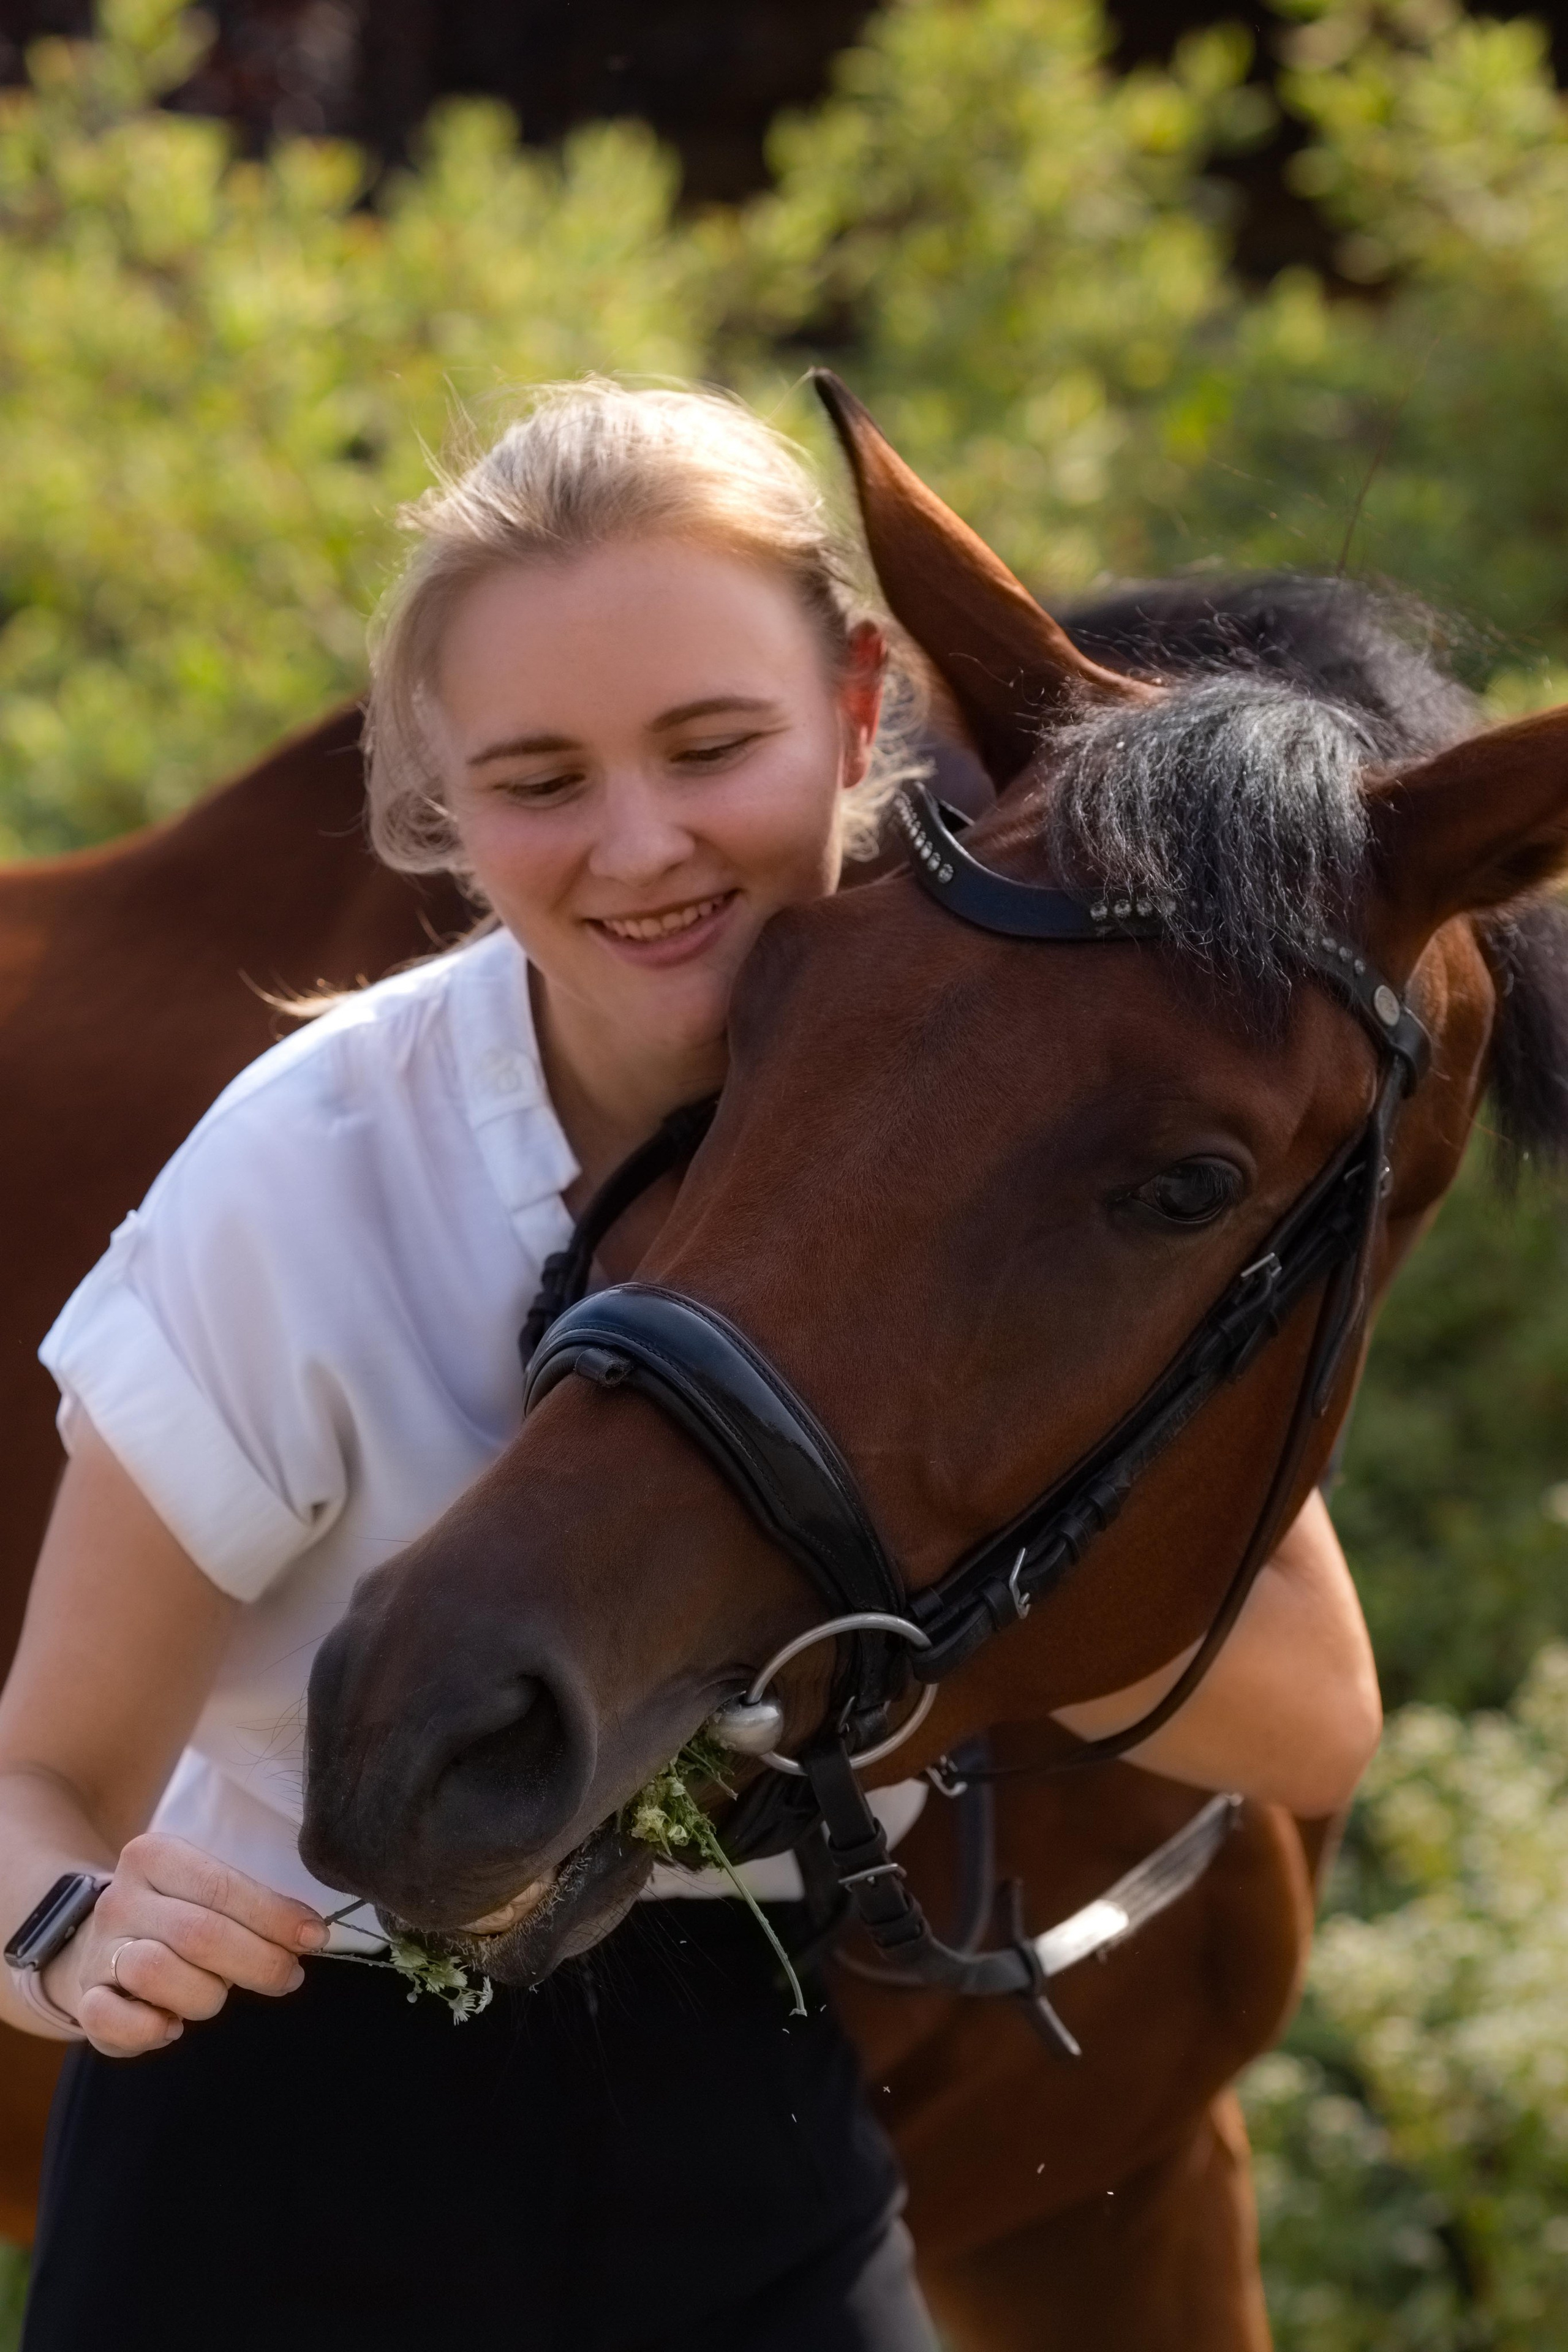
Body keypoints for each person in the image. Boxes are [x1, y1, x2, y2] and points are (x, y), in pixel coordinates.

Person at [0, 382, 1381, 2350]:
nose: (642, 845)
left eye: (713, 745)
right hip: (289, 2138)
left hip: (762, 2116)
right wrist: (68, 1931)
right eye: (539, 778)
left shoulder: (998, 1120)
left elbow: (1312, 1721)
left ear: (855, 711)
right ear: (436, 801)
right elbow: (35, 1781)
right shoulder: (302, 1176)